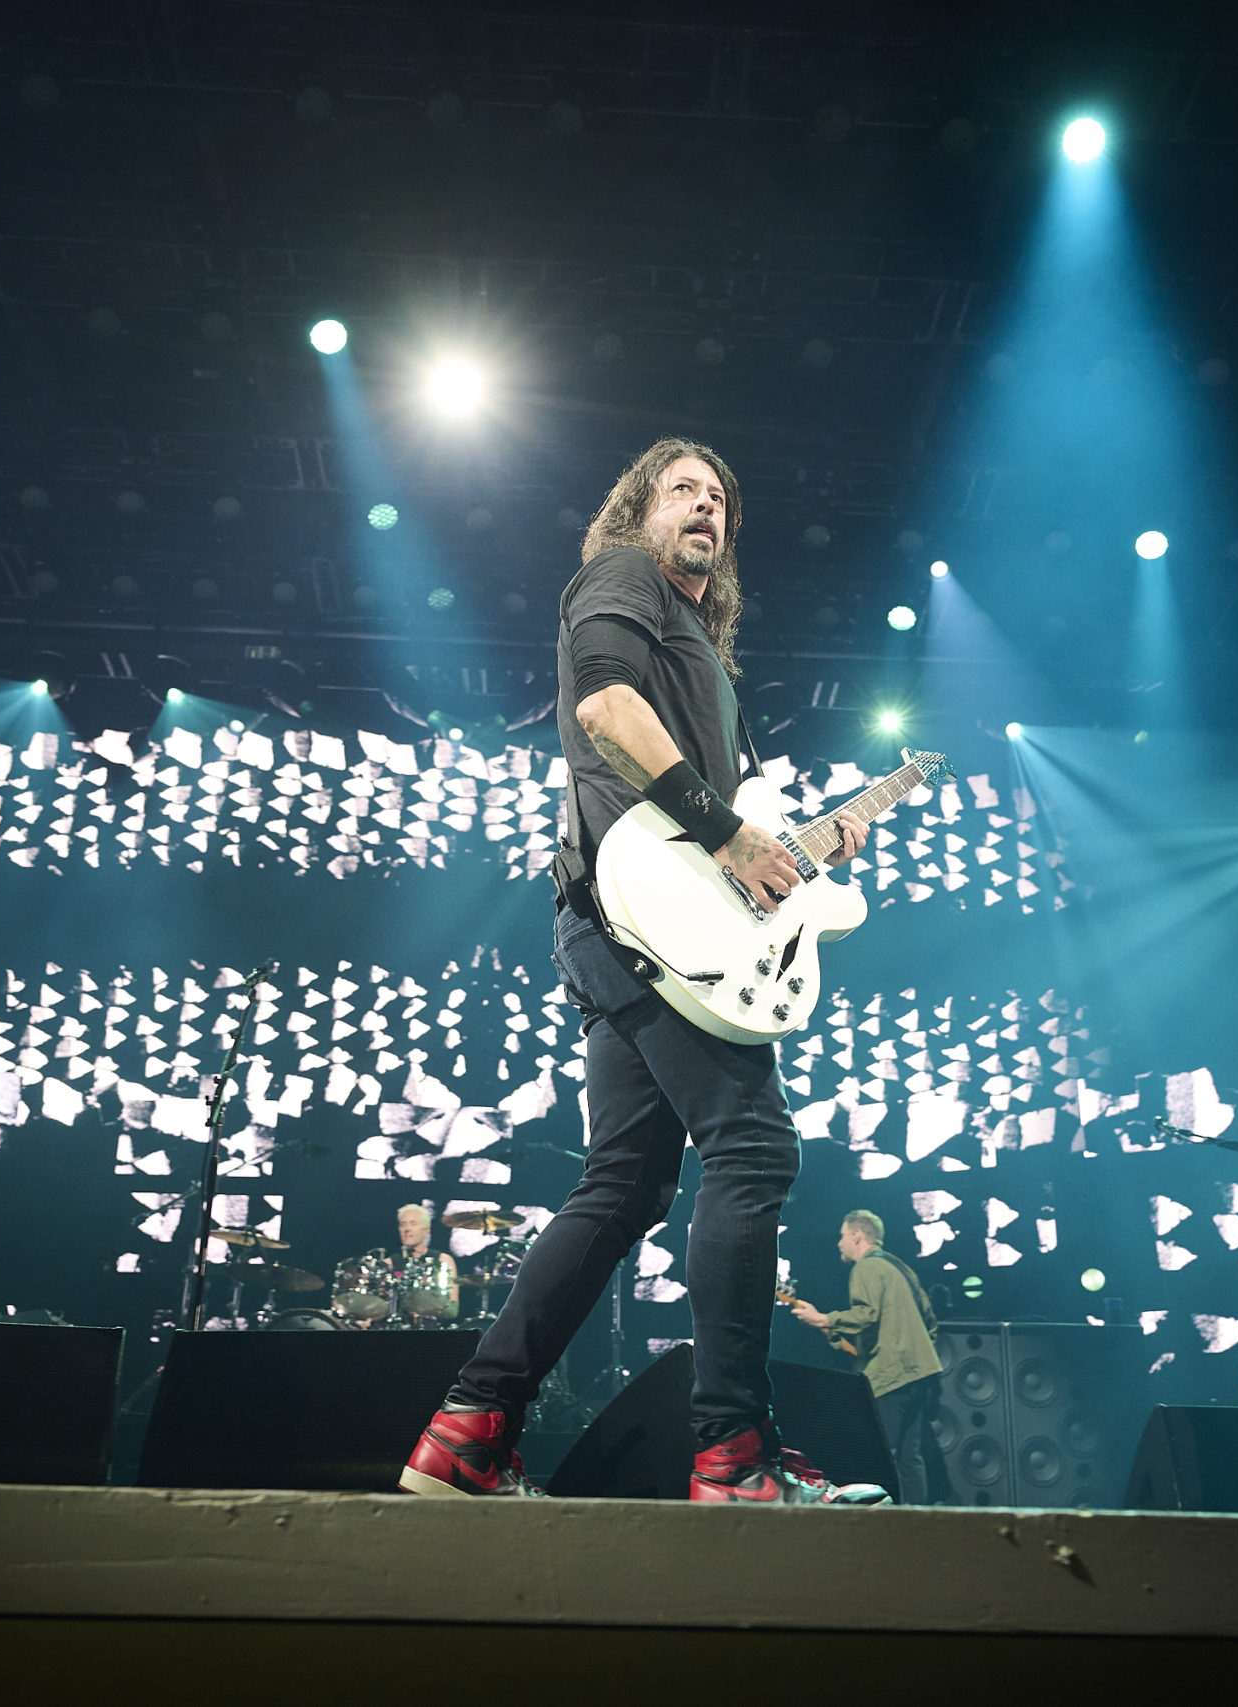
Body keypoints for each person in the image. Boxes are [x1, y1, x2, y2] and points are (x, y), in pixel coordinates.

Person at [402, 439, 886, 1505]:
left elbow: (737, 844)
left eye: (718, 497)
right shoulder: (624, 577)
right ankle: (733, 1455)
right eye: (682, 490)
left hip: (633, 924)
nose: (704, 505)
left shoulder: (703, 655)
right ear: (639, 511)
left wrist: (801, 853)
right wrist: (730, 835)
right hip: (643, 922)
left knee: (625, 1186)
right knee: (752, 1148)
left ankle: (470, 1433)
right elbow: (605, 713)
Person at [791, 1210, 943, 1505]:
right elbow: (929, 1322)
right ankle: (919, 1519)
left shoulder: (866, 1268)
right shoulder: (901, 1268)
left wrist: (823, 1319)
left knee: (883, 1457)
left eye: (842, 1236)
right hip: (921, 1375)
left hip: (892, 1378)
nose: (839, 1243)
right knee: (910, 1457)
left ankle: (886, 1521)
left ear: (857, 1236)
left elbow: (866, 1314)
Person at [389, 1204, 459, 1324]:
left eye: (413, 1223)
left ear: (426, 1230)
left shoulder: (443, 1260)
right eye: (403, 1224)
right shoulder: (389, 1263)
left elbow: (453, 1308)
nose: (407, 1229)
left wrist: (426, 1308)